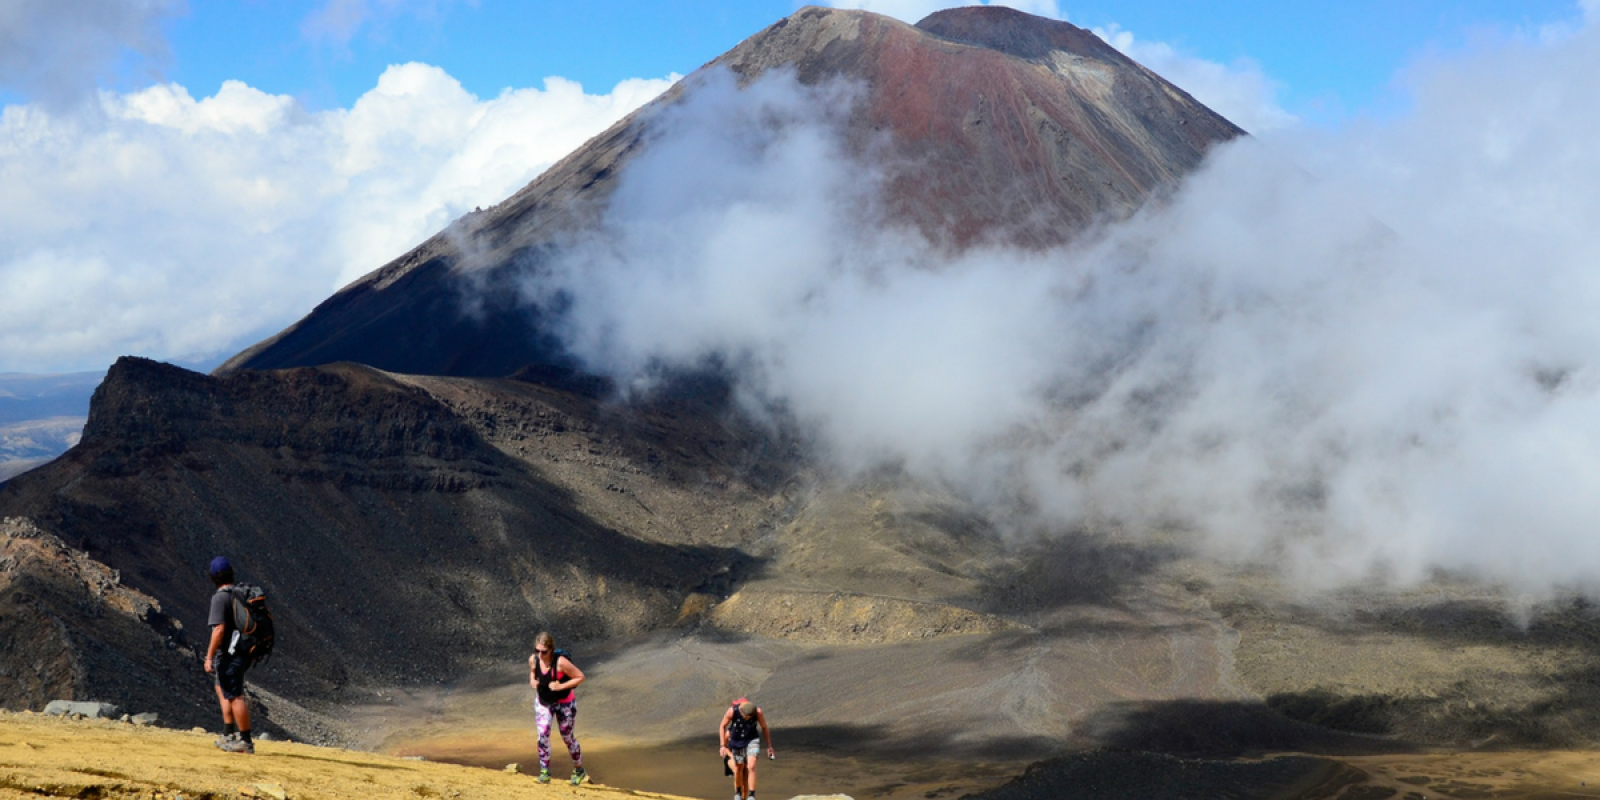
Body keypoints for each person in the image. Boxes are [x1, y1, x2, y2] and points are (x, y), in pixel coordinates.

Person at [204, 556, 254, 754]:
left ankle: (246, 741)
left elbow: (219, 630)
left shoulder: (220, 598)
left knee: (234, 695)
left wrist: (209, 657)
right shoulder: (240, 594)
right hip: (242, 651)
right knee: (221, 687)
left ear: (213, 577)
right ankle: (228, 734)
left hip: (230, 654)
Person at [528, 632, 587, 785]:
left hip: (564, 702)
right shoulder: (534, 660)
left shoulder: (560, 663)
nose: (540, 655)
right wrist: (533, 681)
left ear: (551, 650)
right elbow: (533, 674)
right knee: (543, 734)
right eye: (537, 651)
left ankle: (579, 769)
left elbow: (580, 677)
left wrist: (561, 686)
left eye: (544, 652)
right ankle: (544, 771)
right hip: (544, 702)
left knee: (567, 737)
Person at [719, 698, 774, 800]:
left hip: (752, 739)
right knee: (738, 768)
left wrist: (769, 746)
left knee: (751, 765)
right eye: (747, 716)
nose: (749, 718)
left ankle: (752, 795)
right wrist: (722, 746)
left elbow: (764, 727)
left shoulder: (758, 712)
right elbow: (722, 725)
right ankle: (738, 793)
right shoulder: (732, 711)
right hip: (737, 742)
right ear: (741, 711)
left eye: (751, 717)